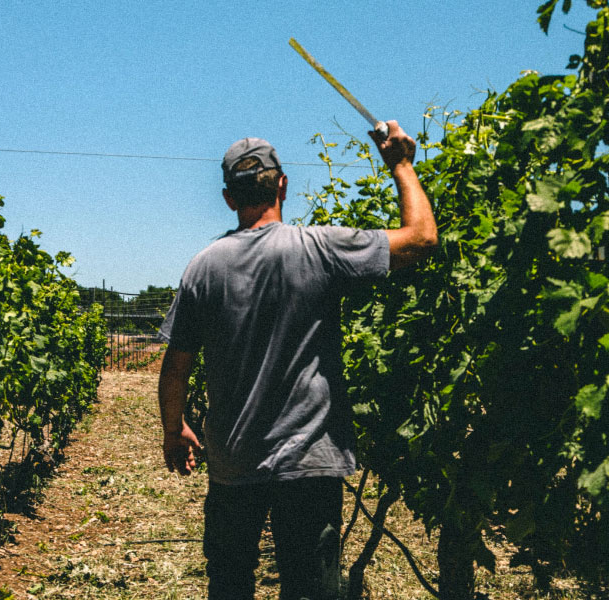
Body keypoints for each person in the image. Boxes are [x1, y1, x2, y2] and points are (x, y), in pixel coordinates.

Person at [157, 120, 437, 599]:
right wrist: (402, 164)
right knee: (309, 588)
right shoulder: (320, 248)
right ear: (283, 184)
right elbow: (421, 238)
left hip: (233, 461)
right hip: (309, 461)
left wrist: (174, 428)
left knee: (229, 585)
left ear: (229, 198)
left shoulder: (203, 267)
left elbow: (176, 367)